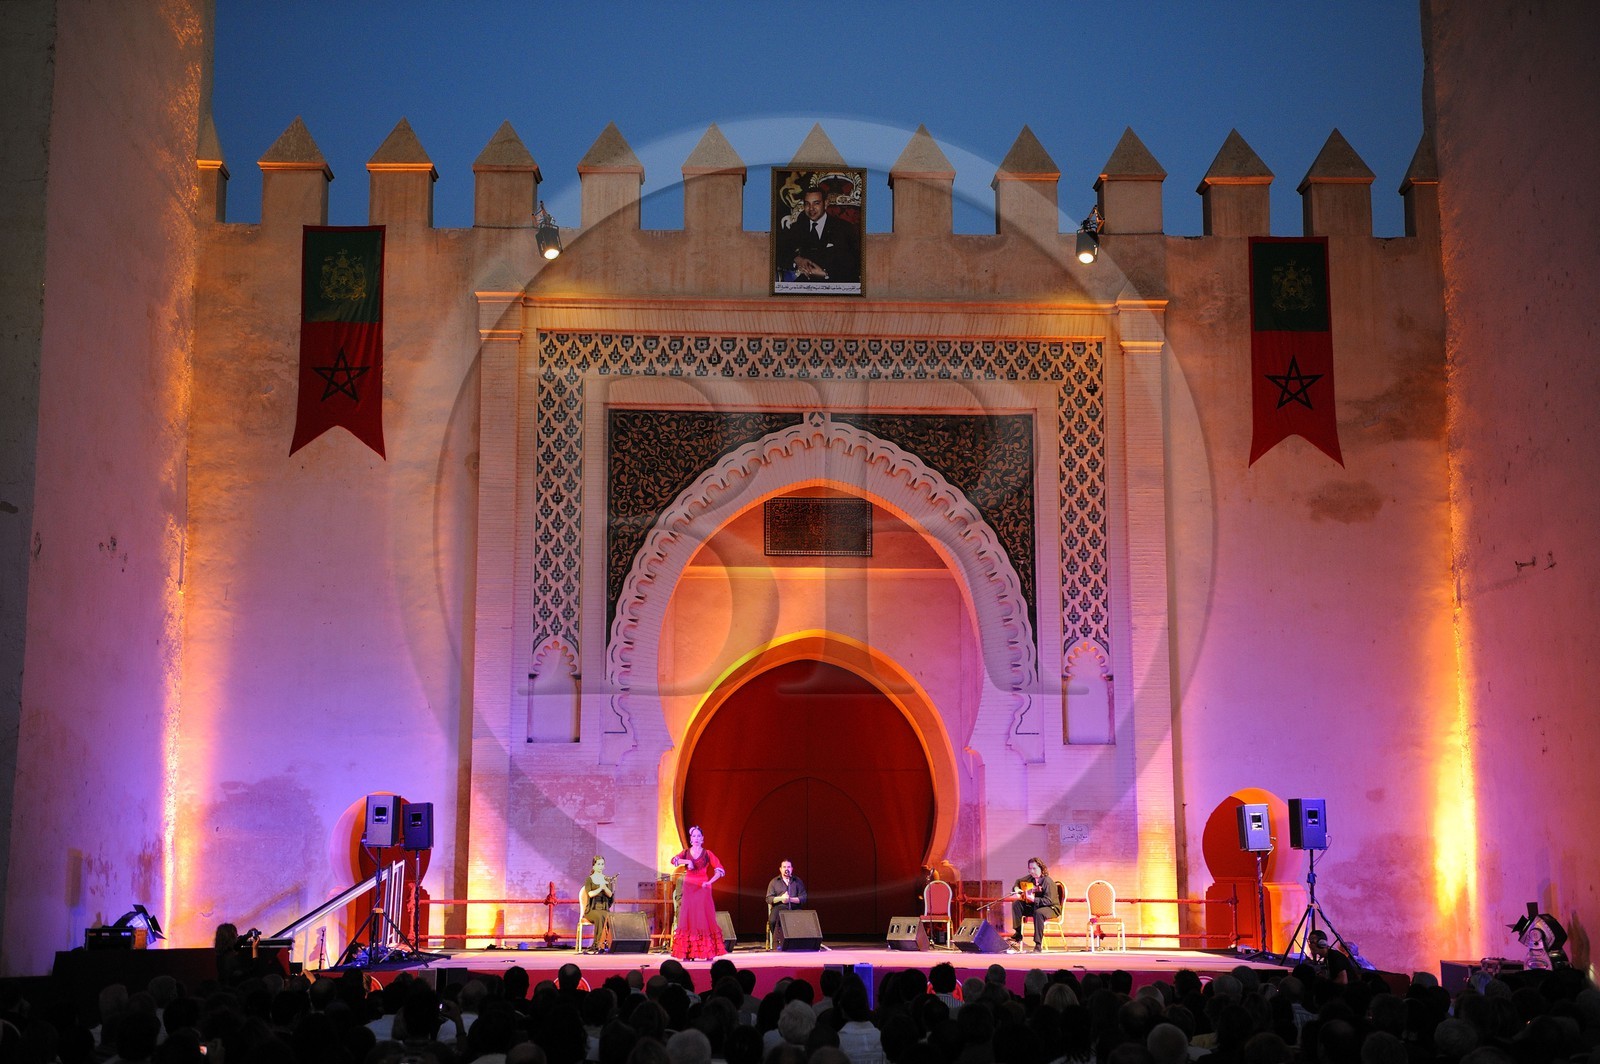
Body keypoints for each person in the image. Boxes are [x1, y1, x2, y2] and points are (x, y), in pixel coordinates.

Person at [778, 186, 859, 284]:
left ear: (825, 204)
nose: (811, 208)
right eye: (807, 204)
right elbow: (780, 251)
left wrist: (825, 274)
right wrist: (797, 260)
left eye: (816, 203)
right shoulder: (798, 227)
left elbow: (855, 264)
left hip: (836, 283)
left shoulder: (844, 228)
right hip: (805, 284)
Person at [669, 825, 725, 960]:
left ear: (703, 838)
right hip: (689, 887)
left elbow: (720, 870)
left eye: (698, 836)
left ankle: (708, 952)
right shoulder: (686, 852)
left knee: (703, 917)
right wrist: (687, 861)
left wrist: (710, 882)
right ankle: (687, 952)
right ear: (690, 838)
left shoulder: (707, 853)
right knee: (688, 917)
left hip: (703, 887)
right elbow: (673, 860)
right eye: (693, 836)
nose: (696, 838)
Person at [1007, 857, 1060, 952]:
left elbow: (1049, 901)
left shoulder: (1047, 881)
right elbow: (1018, 882)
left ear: (1041, 868)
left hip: (1051, 908)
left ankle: (1038, 944)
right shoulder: (1030, 879)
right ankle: (1018, 934)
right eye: (1030, 868)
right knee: (1017, 904)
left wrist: (1034, 899)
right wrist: (1016, 889)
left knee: (1039, 913)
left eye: (1034, 868)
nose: (1032, 871)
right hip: (1036, 906)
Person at [765, 859, 807, 948]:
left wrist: (790, 899)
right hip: (779, 906)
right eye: (784, 867)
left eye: (788, 867)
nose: (786, 869)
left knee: (804, 919)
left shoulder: (797, 881)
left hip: (794, 906)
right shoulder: (774, 882)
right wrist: (781, 898)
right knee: (772, 920)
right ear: (780, 869)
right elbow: (768, 898)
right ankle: (778, 941)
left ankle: (798, 943)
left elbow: (803, 898)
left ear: (792, 869)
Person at [579, 855, 616, 954]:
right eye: (598, 864)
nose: (600, 866)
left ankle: (609, 944)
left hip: (604, 908)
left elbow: (610, 894)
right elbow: (590, 894)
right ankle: (597, 944)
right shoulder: (589, 879)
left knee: (609, 917)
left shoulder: (606, 879)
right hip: (592, 909)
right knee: (600, 917)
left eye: (602, 864)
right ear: (594, 866)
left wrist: (605, 887)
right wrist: (600, 888)